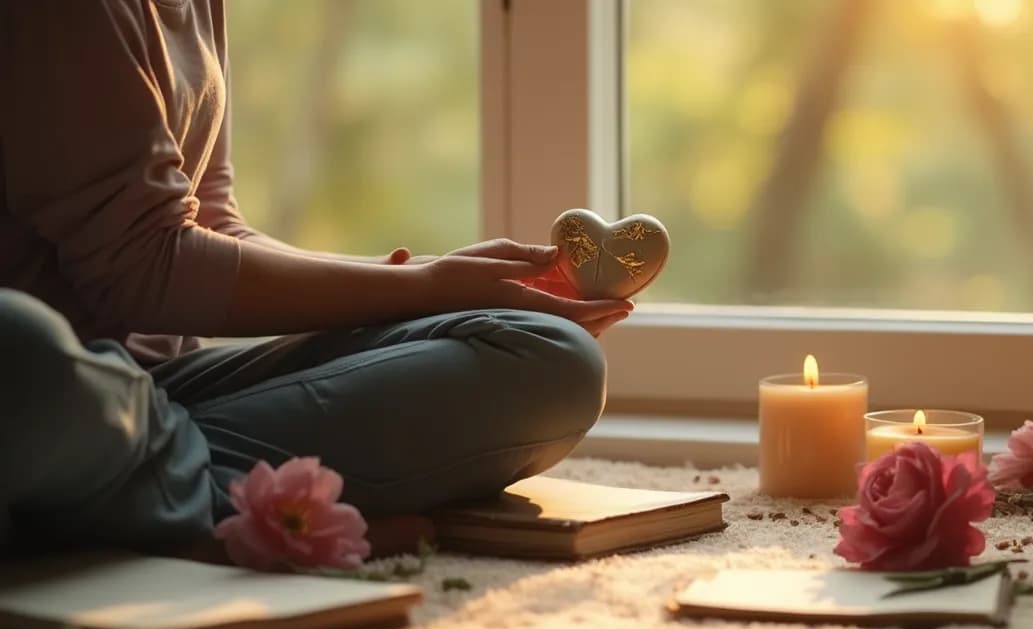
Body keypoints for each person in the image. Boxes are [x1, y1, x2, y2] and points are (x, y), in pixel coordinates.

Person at [0, 1, 632, 553]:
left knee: (552, 360)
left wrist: (436, 281)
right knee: (19, 341)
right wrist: (426, 287)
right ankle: (208, 510)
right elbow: (140, 267)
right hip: (65, 398)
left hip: (160, 398)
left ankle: (150, 491)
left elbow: (212, 223)